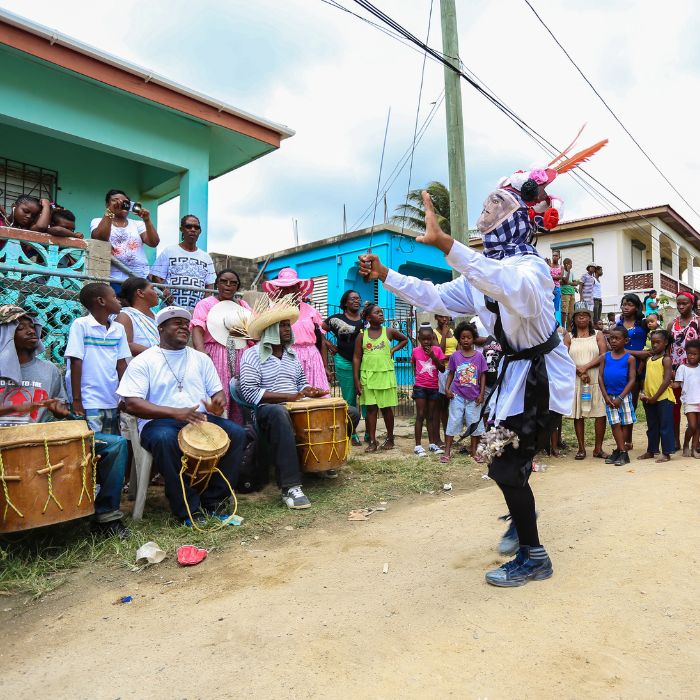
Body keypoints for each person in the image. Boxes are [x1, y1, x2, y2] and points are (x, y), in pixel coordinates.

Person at [0, 305, 129, 537]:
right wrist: (11, 407)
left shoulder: (48, 370)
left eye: (32, 326)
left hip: (42, 443)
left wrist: (63, 411)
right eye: (21, 327)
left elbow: (63, 410)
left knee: (115, 445)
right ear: (6, 334)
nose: (31, 331)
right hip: (5, 444)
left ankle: (106, 518)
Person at [117, 306, 245, 525]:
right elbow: (131, 404)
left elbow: (217, 391)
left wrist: (218, 402)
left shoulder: (201, 359)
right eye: (176, 323)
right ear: (161, 328)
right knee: (166, 439)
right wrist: (176, 413)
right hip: (158, 423)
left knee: (237, 433)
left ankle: (213, 501)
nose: (184, 327)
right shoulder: (144, 360)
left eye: (186, 323)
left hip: (199, 418)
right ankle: (187, 509)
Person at [238, 300, 328, 508]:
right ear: (270, 330)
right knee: (278, 413)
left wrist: (309, 391)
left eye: (288, 325)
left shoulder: (291, 355)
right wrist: (290, 396)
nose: (288, 329)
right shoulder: (252, 355)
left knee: (345, 411)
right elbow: (250, 392)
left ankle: (321, 464)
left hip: (293, 406)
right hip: (265, 412)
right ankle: (291, 487)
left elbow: (300, 384)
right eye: (283, 325)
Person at [65, 283, 130, 434]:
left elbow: (121, 364)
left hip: (112, 399)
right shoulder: (81, 325)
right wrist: (76, 401)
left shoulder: (118, 329)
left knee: (111, 445)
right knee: (93, 446)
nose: (119, 300)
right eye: (114, 297)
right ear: (101, 301)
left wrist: (124, 397)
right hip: (88, 400)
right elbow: (76, 361)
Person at [191, 269, 252, 422]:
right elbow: (197, 328)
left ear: (237, 287)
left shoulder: (243, 305)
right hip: (216, 353)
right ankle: (219, 433)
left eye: (233, 283)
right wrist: (201, 352)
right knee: (219, 392)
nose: (228, 285)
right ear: (217, 284)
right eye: (224, 281)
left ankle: (240, 434)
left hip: (241, 353)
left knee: (240, 393)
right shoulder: (205, 304)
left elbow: (253, 329)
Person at [263, 268, 330, 395]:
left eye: (292, 287)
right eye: (285, 288)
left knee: (317, 396)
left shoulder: (310, 310)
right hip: (288, 357)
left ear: (299, 289)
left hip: (312, 358)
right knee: (292, 397)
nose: (289, 291)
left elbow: (321, 341)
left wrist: (325, 366)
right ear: (279, 291)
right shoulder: (274, 312)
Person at [353, 303, 407, 452]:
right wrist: (357, 380)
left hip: (385, 375)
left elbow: (404, 339)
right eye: (377, 313)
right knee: (371, 409)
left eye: (382, 312)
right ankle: (372, 441)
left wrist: (393, 349)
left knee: (386, 409)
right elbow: (357, 358)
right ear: (369, 317)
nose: (381, 314)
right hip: (368, 376)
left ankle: (390, 438)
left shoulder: (388, 331)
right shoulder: (362, 335)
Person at [564, 302, 608, 460]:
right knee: (578, 415)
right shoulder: (569, 336)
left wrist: (586, 367)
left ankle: (598, 449)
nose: (581, 317)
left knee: (600, 413)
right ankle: (581, 448)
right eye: (578, 315)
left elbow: (603, 355)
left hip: (595, 379)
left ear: (590, 318)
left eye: (585, 314)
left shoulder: (598, 334)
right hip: (576, 380)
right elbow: (563, 358)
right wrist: (579, 370)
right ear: (574, 318)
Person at [90, 189, 159, 290]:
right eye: (115, 200)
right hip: (112, 278)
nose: (120, 203)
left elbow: (154, 242)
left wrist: (147, 220)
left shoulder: (137, 224)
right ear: (107, 204)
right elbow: (101, 238)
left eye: (124, 201)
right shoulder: (97, 221)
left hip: (138, 278)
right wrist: (110, 212)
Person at [323, 289, 364, 445]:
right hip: (344, 361)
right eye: (353, 298)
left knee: (367, 398)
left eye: (358, 298)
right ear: (345, 302)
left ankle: (369, 432)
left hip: (366, 362)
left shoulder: (365, 319)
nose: (356, 301)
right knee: (349, 397)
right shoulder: (335, 319)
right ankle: (351, 432)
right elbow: (318, 330)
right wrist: (328, 343)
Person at [150, 214, 215, 312]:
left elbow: (210, 285)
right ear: (182, 229)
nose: (193, 229)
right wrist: (165, 291)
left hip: (196, 312)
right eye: (189, 226)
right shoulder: (169, 251)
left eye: (196, 227)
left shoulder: (206, 258)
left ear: (200, 231)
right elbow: (156, 276)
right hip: (170, 307)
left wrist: (203, 307)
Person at [443, 321, 487, 462]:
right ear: (459, 339)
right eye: (463, 338)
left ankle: (474, 451)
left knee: (474, 424)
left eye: (468, 337)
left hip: (474, 398)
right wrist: (446, 388)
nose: (466, 340)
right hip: (457, 396)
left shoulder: (479, 357)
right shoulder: (455, 356)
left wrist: (481, 394)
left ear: (473, 338)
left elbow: (482, 375)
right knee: (453, 421)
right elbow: (451, 373)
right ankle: (447, 452)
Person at [615, 293, 649, 450]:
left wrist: (641, 354)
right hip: (620, 367)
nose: (625, 307)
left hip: (638, 367)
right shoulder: (618, 323)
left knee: (632, 403)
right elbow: (613, 346)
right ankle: (621, 439)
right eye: (623, 304)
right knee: (619, 402)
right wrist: (635, 353)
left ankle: (628, 439)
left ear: (636, 307)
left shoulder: (643, 323)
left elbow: (654, 342)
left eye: (629, 304)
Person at [599, 326, 636, 466]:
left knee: (625, 423)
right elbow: (600, 377)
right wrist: (606, 397)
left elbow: (632, 379)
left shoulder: (629, 358)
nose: (613, 341)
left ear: (626, 340)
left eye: (617, 338)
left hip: (623, 396)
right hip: (609, 397)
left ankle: (621, 451)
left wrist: (620, 398)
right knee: (615, 423)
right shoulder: (605, 357)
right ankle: (622, 452)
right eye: (611, 338)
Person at [666, 291, 699, 450]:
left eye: (684, 303)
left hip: (695, 371)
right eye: (678, 303)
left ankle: (696, 441)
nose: (680, 306)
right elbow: (668, 348)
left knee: (696, 405)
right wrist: (669, 368)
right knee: (675, 406)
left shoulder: (698, 322)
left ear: (692, 303)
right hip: (676, 371)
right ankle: (675, 441)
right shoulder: (672, 324)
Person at [638, 330, 675, 463]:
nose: (654, 345)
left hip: (663, 398)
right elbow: (646, 377)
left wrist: (655, 397)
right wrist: (644, 393)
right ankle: (651, 450)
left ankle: (666, 452)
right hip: (649, 398)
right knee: (652, 426)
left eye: (658, 342)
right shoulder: (649, 359)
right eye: (653, 342)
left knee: (665, 426)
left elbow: (666, 381)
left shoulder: (666, 359)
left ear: (665, 343)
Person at [411, 323, 445, 456]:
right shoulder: (415, 351)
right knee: (420, 415)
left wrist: (433, 356)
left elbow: (442, 368)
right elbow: (414, 365)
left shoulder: (437, 350)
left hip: (433, 387)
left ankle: (432, 444)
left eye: (429, 339)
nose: (426, 342)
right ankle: (418, 445)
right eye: (423, 339)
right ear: (419, 338)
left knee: (431, 416)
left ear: (432, 338)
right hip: (420, 387)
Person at [115, 277, 160, 356]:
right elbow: (126, 345)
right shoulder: (125, 315)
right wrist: (159, 354)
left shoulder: (157, 316)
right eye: (152, 288)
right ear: (140, 293)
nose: (157, 293)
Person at [673, 339, 700, 457]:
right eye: (689, 353)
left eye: (695, 354)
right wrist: (670, 384)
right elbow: (678, 384)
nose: (692, 356)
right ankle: (685, 444)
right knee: (692, 425)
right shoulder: (682, 368)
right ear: (686, 353)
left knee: (699, 426)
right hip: (689, 401)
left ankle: (694, 448)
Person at [434, 314, 458, 442]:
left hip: (454, 371)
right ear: (436, 317)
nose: (444, 319)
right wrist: (443, 333)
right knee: (441, 405)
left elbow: (458, 350)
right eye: (441, 317)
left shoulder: (453, 332)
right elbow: (439, 352)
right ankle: (440, 436)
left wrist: (454, 357)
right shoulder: (433, 333)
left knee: (451, 405)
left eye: (447, 317)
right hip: (442, 371)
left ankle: (450, 435)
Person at [560, 258, 577, 330]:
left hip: (572, 293)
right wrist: (568, 271)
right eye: (571, 263)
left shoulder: (572, 273)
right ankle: (563, 327)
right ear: (567, 264)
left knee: (571, 312)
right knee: (564, 311)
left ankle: (569, 329)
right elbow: (565, 280)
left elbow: (575, 283)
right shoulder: (562, 272)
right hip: (565, 294)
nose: (572, 265)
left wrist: (569, 283)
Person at [547, 250, 563, 325]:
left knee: (556, 308)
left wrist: (551, 276)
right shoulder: (548, 266)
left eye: (556, 255)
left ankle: (556, 325)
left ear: (559, 257)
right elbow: (546, 276)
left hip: (557, 288)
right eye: (553, 255)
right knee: (549, 306)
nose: (554, 257)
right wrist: (555, 277)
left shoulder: (561, 267)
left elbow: (560, 277)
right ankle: (549, 324)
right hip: (549, 289)